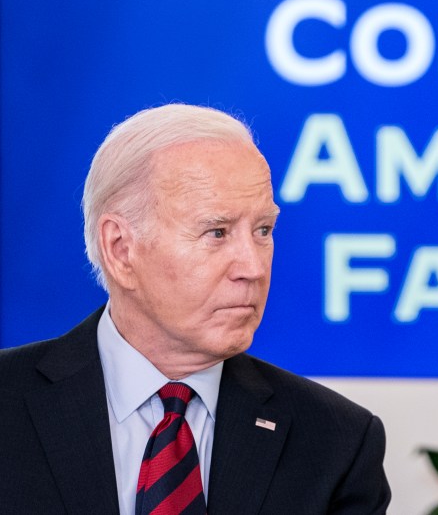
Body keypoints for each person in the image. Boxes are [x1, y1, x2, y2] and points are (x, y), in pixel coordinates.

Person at [0, 104, 390, 514]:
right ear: (120, 249)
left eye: (263, 230)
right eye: (216, 232)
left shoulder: (336, 443)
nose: (253, 268)